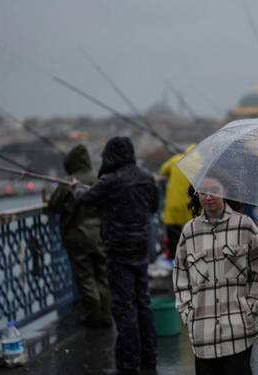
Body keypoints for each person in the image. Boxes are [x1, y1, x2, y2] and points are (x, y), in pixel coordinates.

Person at [173, 167, 258, 375]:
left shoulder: (244, 226)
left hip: (239, 330)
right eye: (202, 191)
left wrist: (251, 309)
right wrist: (188, 313)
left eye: (214, 190)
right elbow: (180, 276)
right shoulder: (189, 232)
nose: (208, 197)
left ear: (225, 190)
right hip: (202, 333)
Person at [72, 137, 159, 375]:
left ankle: (128, 364)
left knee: (123, 307)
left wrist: (77, 186)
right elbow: (153, 207)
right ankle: (149, 358)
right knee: (143, 304)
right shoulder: (146, 177)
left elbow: (85, 199)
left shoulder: (109, 180)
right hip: (140, 249)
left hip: (118, 252)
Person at [47, 144, 111, 328]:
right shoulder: (99, 179)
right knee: (103, 275)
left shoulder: (69, 182)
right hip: (100, 236)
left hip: (77, 238)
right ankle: (106, 313)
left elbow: (54, 206)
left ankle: (93, 315)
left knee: (85, 277)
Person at [159, 143, 196, 260]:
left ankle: (176, 260)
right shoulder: (202, 164)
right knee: (193, 235)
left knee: (174, 235)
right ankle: (191, 258)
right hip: (192, 206)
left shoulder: (177, 159)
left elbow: (163, 170)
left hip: (174, 205)